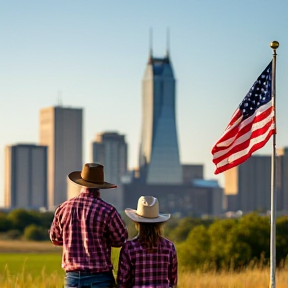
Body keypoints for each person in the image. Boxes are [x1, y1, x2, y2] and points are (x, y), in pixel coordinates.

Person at [49, 163, 128, 288]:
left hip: (72, 278)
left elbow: (55, 238)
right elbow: (120, 240)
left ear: (81, 183)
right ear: (100, 187)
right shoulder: (107, 210)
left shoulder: (63, 208)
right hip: (100, 278)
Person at [117, 196, 178, 288]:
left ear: (137, 223)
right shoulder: (169, 247)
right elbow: (173, 281)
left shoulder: (129, 248)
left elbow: (123, 283)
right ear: (158, 224)